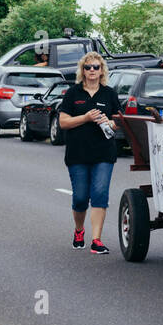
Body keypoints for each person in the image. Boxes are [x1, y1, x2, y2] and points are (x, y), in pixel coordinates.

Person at [56, 51, 121, 254]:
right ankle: (78, 230)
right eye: (88, 67)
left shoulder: (109, 93)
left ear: (102, 71)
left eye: (96, 67)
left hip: (104, 153)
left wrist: (110, 122)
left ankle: (96, 240)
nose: (92, 70)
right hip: (78, 154)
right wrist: (84, 118)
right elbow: (63, 122)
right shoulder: (73, 93)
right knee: (81, 198)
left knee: (100, 194)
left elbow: (118, 120)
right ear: (82, 71)